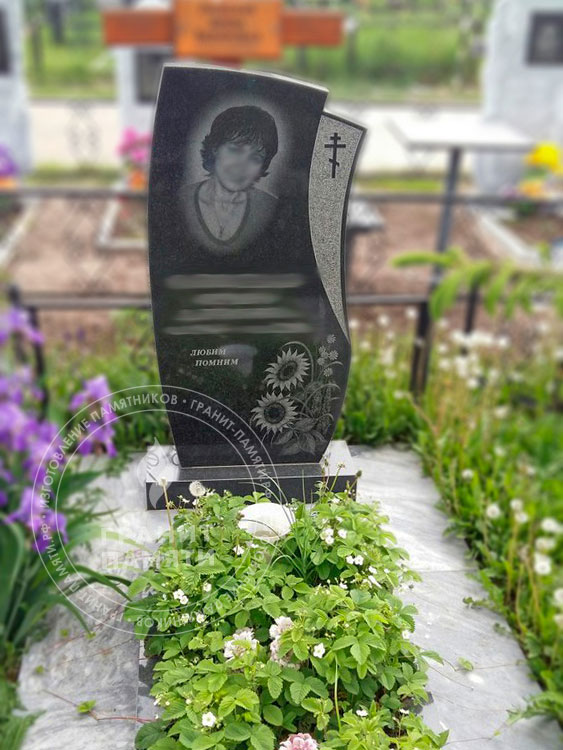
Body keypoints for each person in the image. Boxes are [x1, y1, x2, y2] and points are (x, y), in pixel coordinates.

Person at [182, 105, 281, 259]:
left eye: (255, 158)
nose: (242, 166)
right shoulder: (179, 200)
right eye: (235, 150)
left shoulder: (273, 209)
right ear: (215, 148)